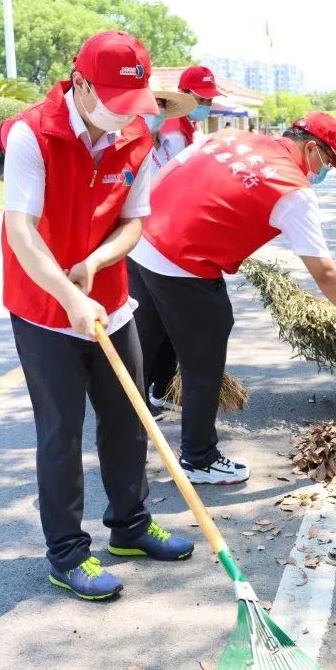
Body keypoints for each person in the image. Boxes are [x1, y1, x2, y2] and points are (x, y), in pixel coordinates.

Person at [0, 30, 194, 601]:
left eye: (130, 103)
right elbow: (21, 232)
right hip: (42, 307)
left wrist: (96, 262)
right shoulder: (31, 135)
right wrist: (67, 295)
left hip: (108, 299)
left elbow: (134, 220)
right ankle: (66, 553)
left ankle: (130, 527)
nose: (123, 116)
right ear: (80, 84)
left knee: (128, 414)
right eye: (111, 100)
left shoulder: (134, 133)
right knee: (60, 432)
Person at [128, 112, 336, 486]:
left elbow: (167, 174)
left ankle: (122, 446)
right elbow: (324, 271)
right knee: (204, 358)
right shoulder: (292, 189)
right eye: (326, 161)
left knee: (140, 352)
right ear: (311, 148)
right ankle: (199, 457)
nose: (322, 171)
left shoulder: (231, 137)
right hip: (183, 262)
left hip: (140, 241)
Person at [127, 85, 198, 420]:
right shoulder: (127, 145)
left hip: (167, 246)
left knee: (164, 324)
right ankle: (134, 400)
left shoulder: (167, 145)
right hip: (135, 246)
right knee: (142, 327)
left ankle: (161, 388)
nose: (155, 112)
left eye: (161, 107)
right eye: (150, 105)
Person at [159, 65, 221, 149]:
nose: (205, 106)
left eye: (210, 100)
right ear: (181, 94)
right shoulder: (173, 129)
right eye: (201, 100)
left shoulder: (189, 123)